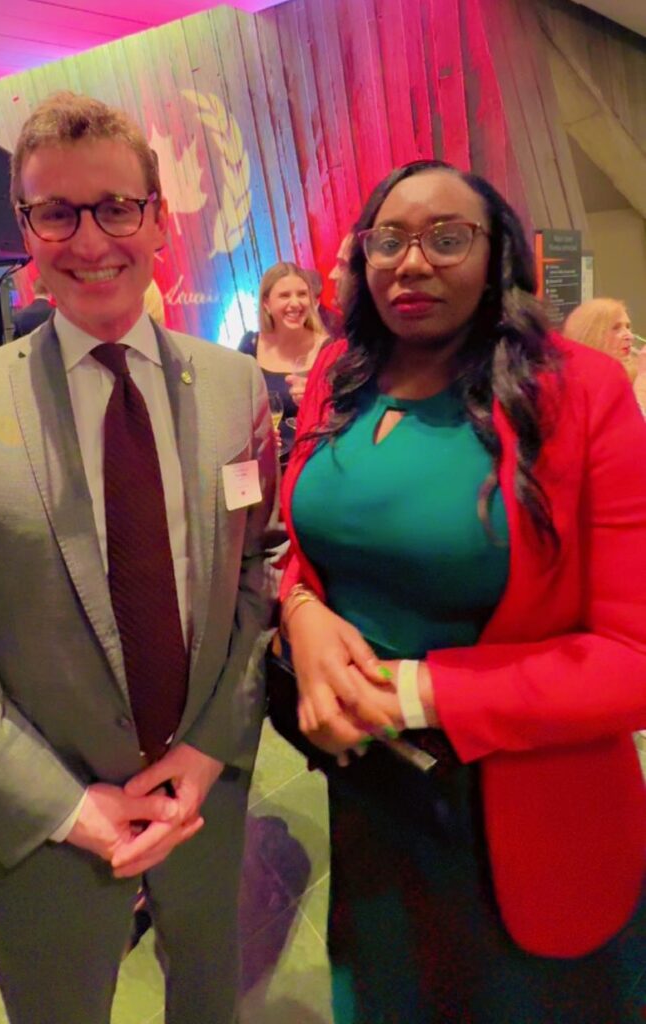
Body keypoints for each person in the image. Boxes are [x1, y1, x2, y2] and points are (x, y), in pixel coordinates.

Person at [0, 91, 283, 1024]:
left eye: (115, 207)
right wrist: (67, 809)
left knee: (208, 999)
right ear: (24, 226)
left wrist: (211, 746)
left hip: (205, 800)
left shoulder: (235, 387)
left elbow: (256, 569)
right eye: (57, 213)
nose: (90, 241)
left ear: (157, 218)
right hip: (44, 823)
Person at [278, 160, 646, 1023]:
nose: (412, 262)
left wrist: (413, 690)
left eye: (447, 238)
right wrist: (299, 612)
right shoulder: (339, 374)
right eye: (388, 241)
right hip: (370, 795)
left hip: (526, 811)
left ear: (496, 256)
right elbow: (309, 543)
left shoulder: (578, 391)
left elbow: (633, 658)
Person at [239, 261, 327, 462]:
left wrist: (316, 400)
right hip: (269, 465)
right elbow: (236, 411)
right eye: (285, 295)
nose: (295, 303)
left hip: (316, 461)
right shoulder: (250, 346)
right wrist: (258, 436)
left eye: (302, 294)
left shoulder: (329, 349)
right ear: (266, 304)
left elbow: (346, 415)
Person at [563, 296, 646, 416]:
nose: (629, 336)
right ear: (590, 334)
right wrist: (642, 383)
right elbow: (631, 426)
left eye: (628, 327)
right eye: (616, 328)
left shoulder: (631, 374)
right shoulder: (579, 386)